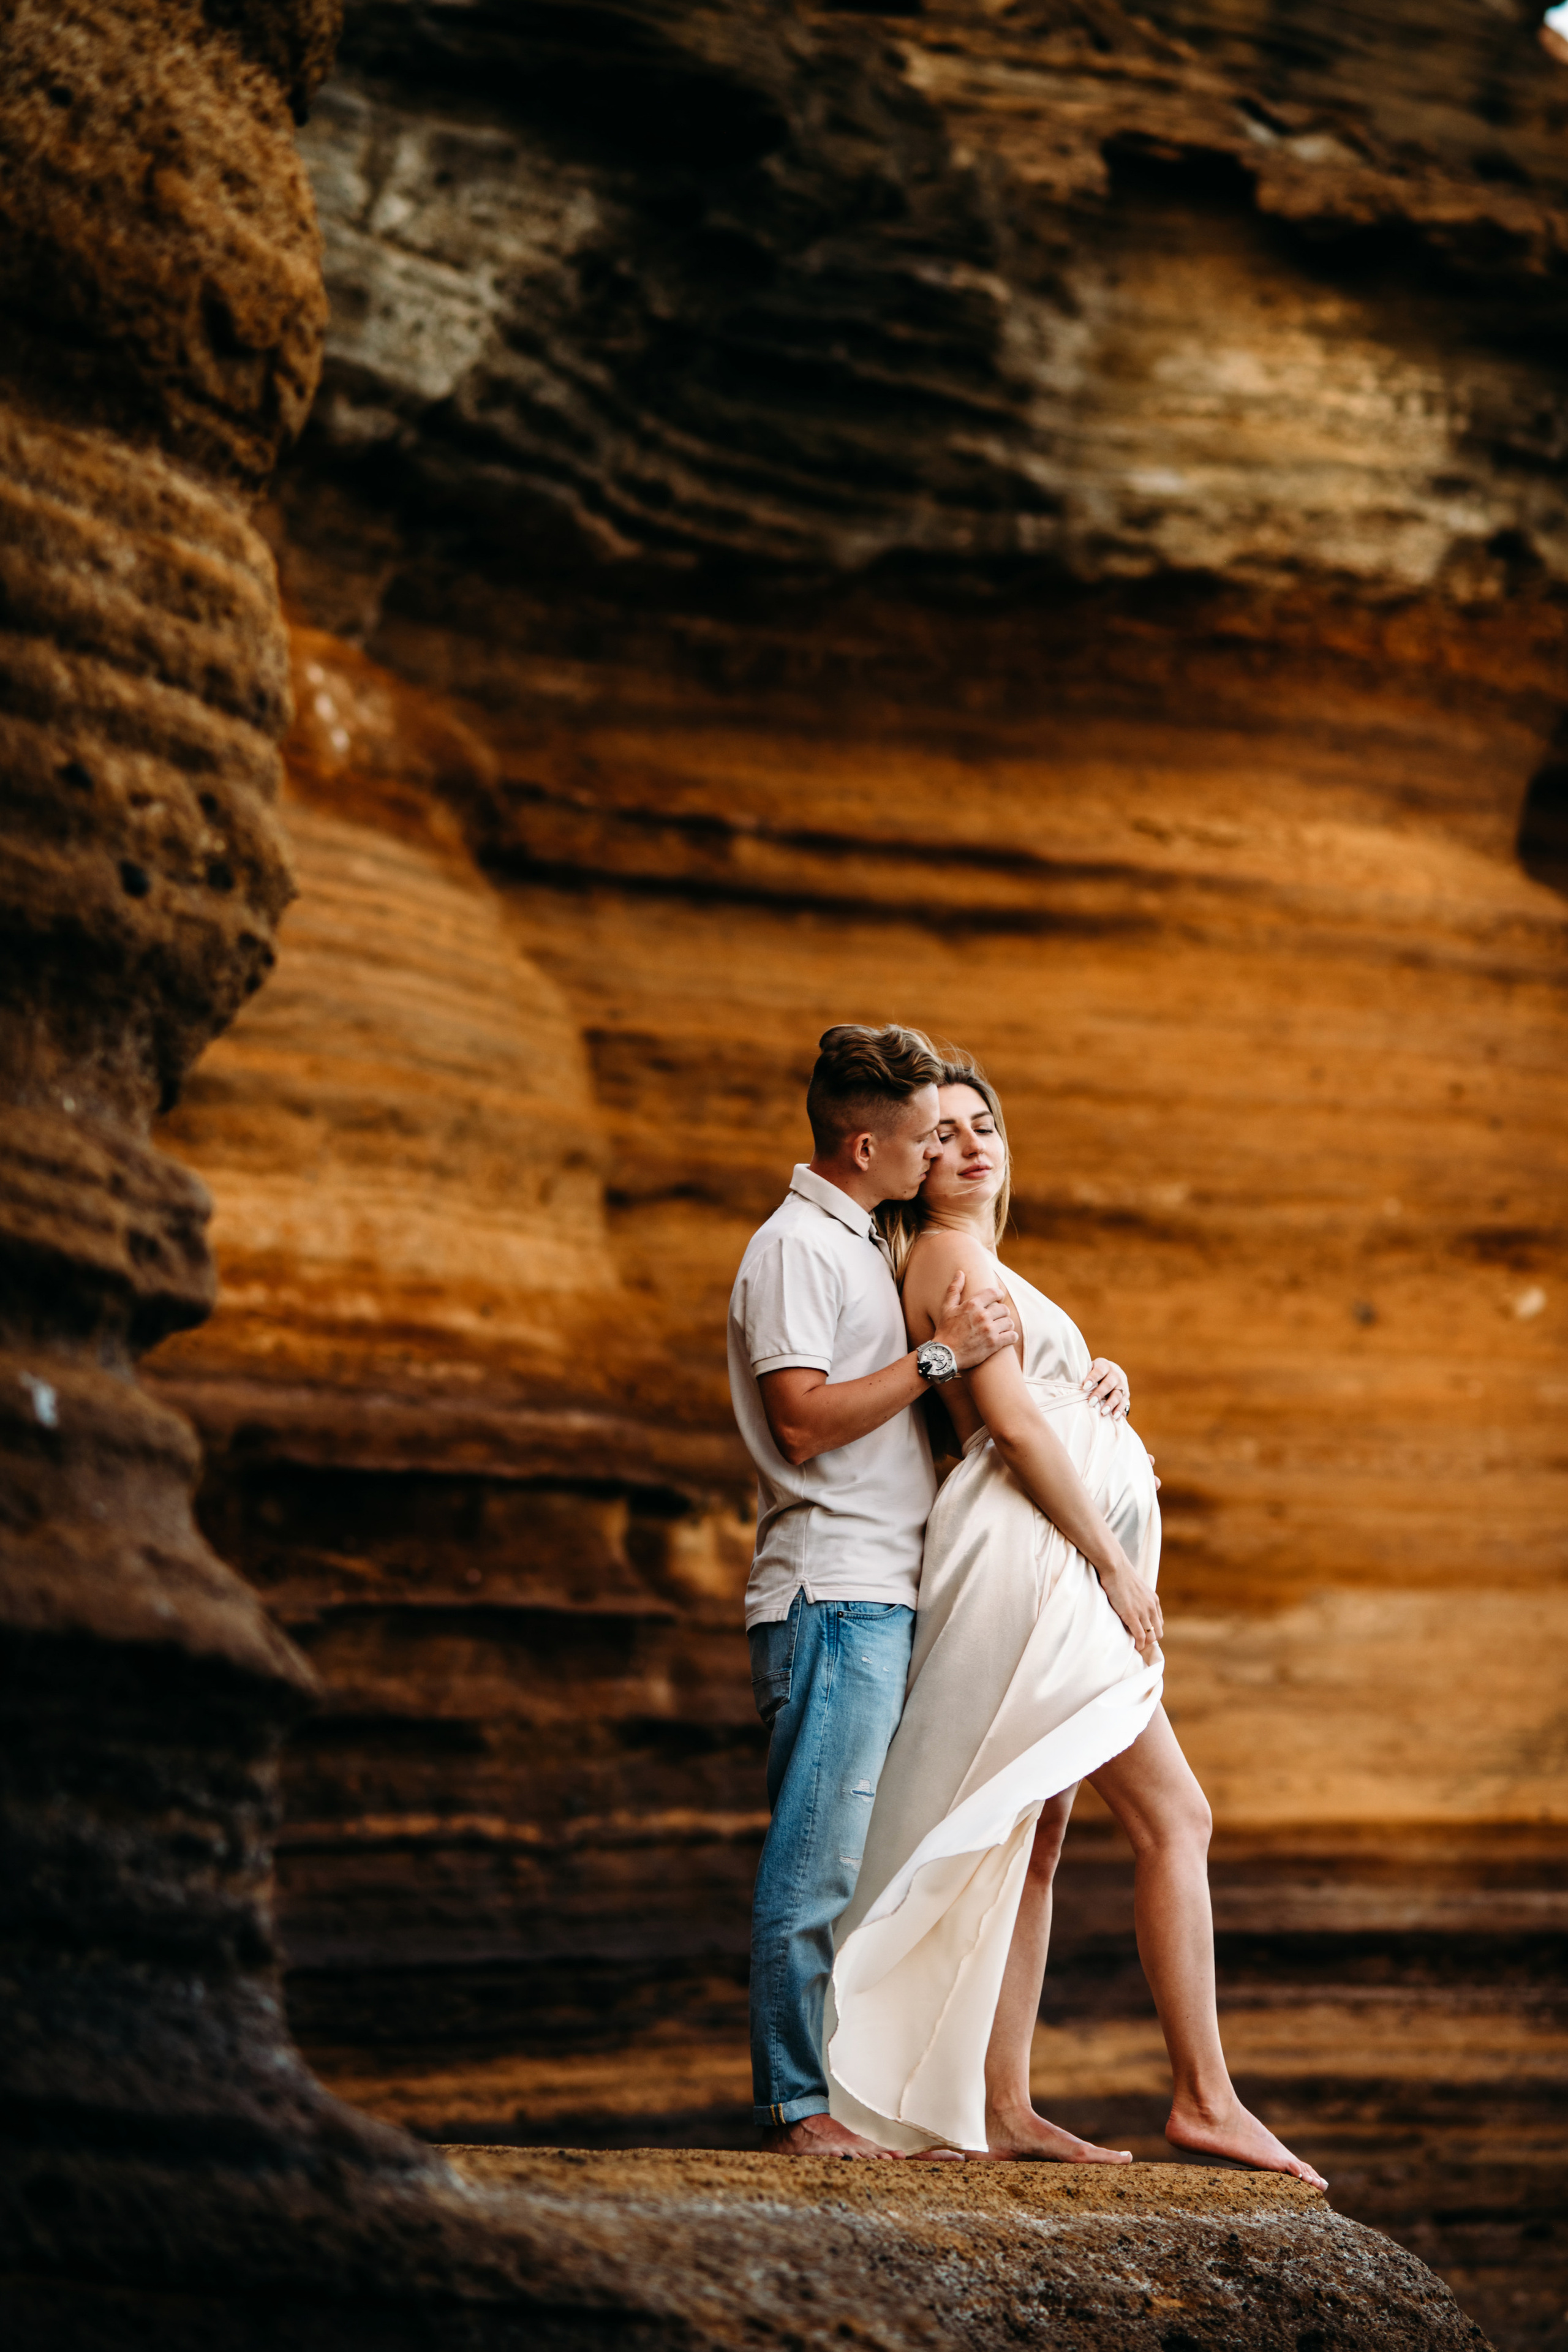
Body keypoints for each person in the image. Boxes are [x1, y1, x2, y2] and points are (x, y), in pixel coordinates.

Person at [824, 1050, 1327, 2188]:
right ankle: (1206, 2098)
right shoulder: (950, 1254)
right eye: (941, 1133)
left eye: (983, 1122)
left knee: (1038, 1838)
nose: (969, 1144)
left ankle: (1003, 2103)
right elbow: (1003, 1421)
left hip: (1039, 1549)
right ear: (908, 1163)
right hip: (1040, 1560)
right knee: (1175, 1817)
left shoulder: (981, 1260)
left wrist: (1089, 1370)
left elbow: (1015, 1394)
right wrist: (1113, 1565)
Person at [729, 1023, 1018, 2158]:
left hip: (880, 1593)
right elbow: (801, 1424)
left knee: (862, 1862)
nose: (935, 1152)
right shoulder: (796, 1249)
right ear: (862, 1145)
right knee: (816, 1864)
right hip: (831, 1597)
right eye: (920, 1137)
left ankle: (855, 2101)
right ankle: (798, 2109)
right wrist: (940, 1357)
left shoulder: (856, 1243)